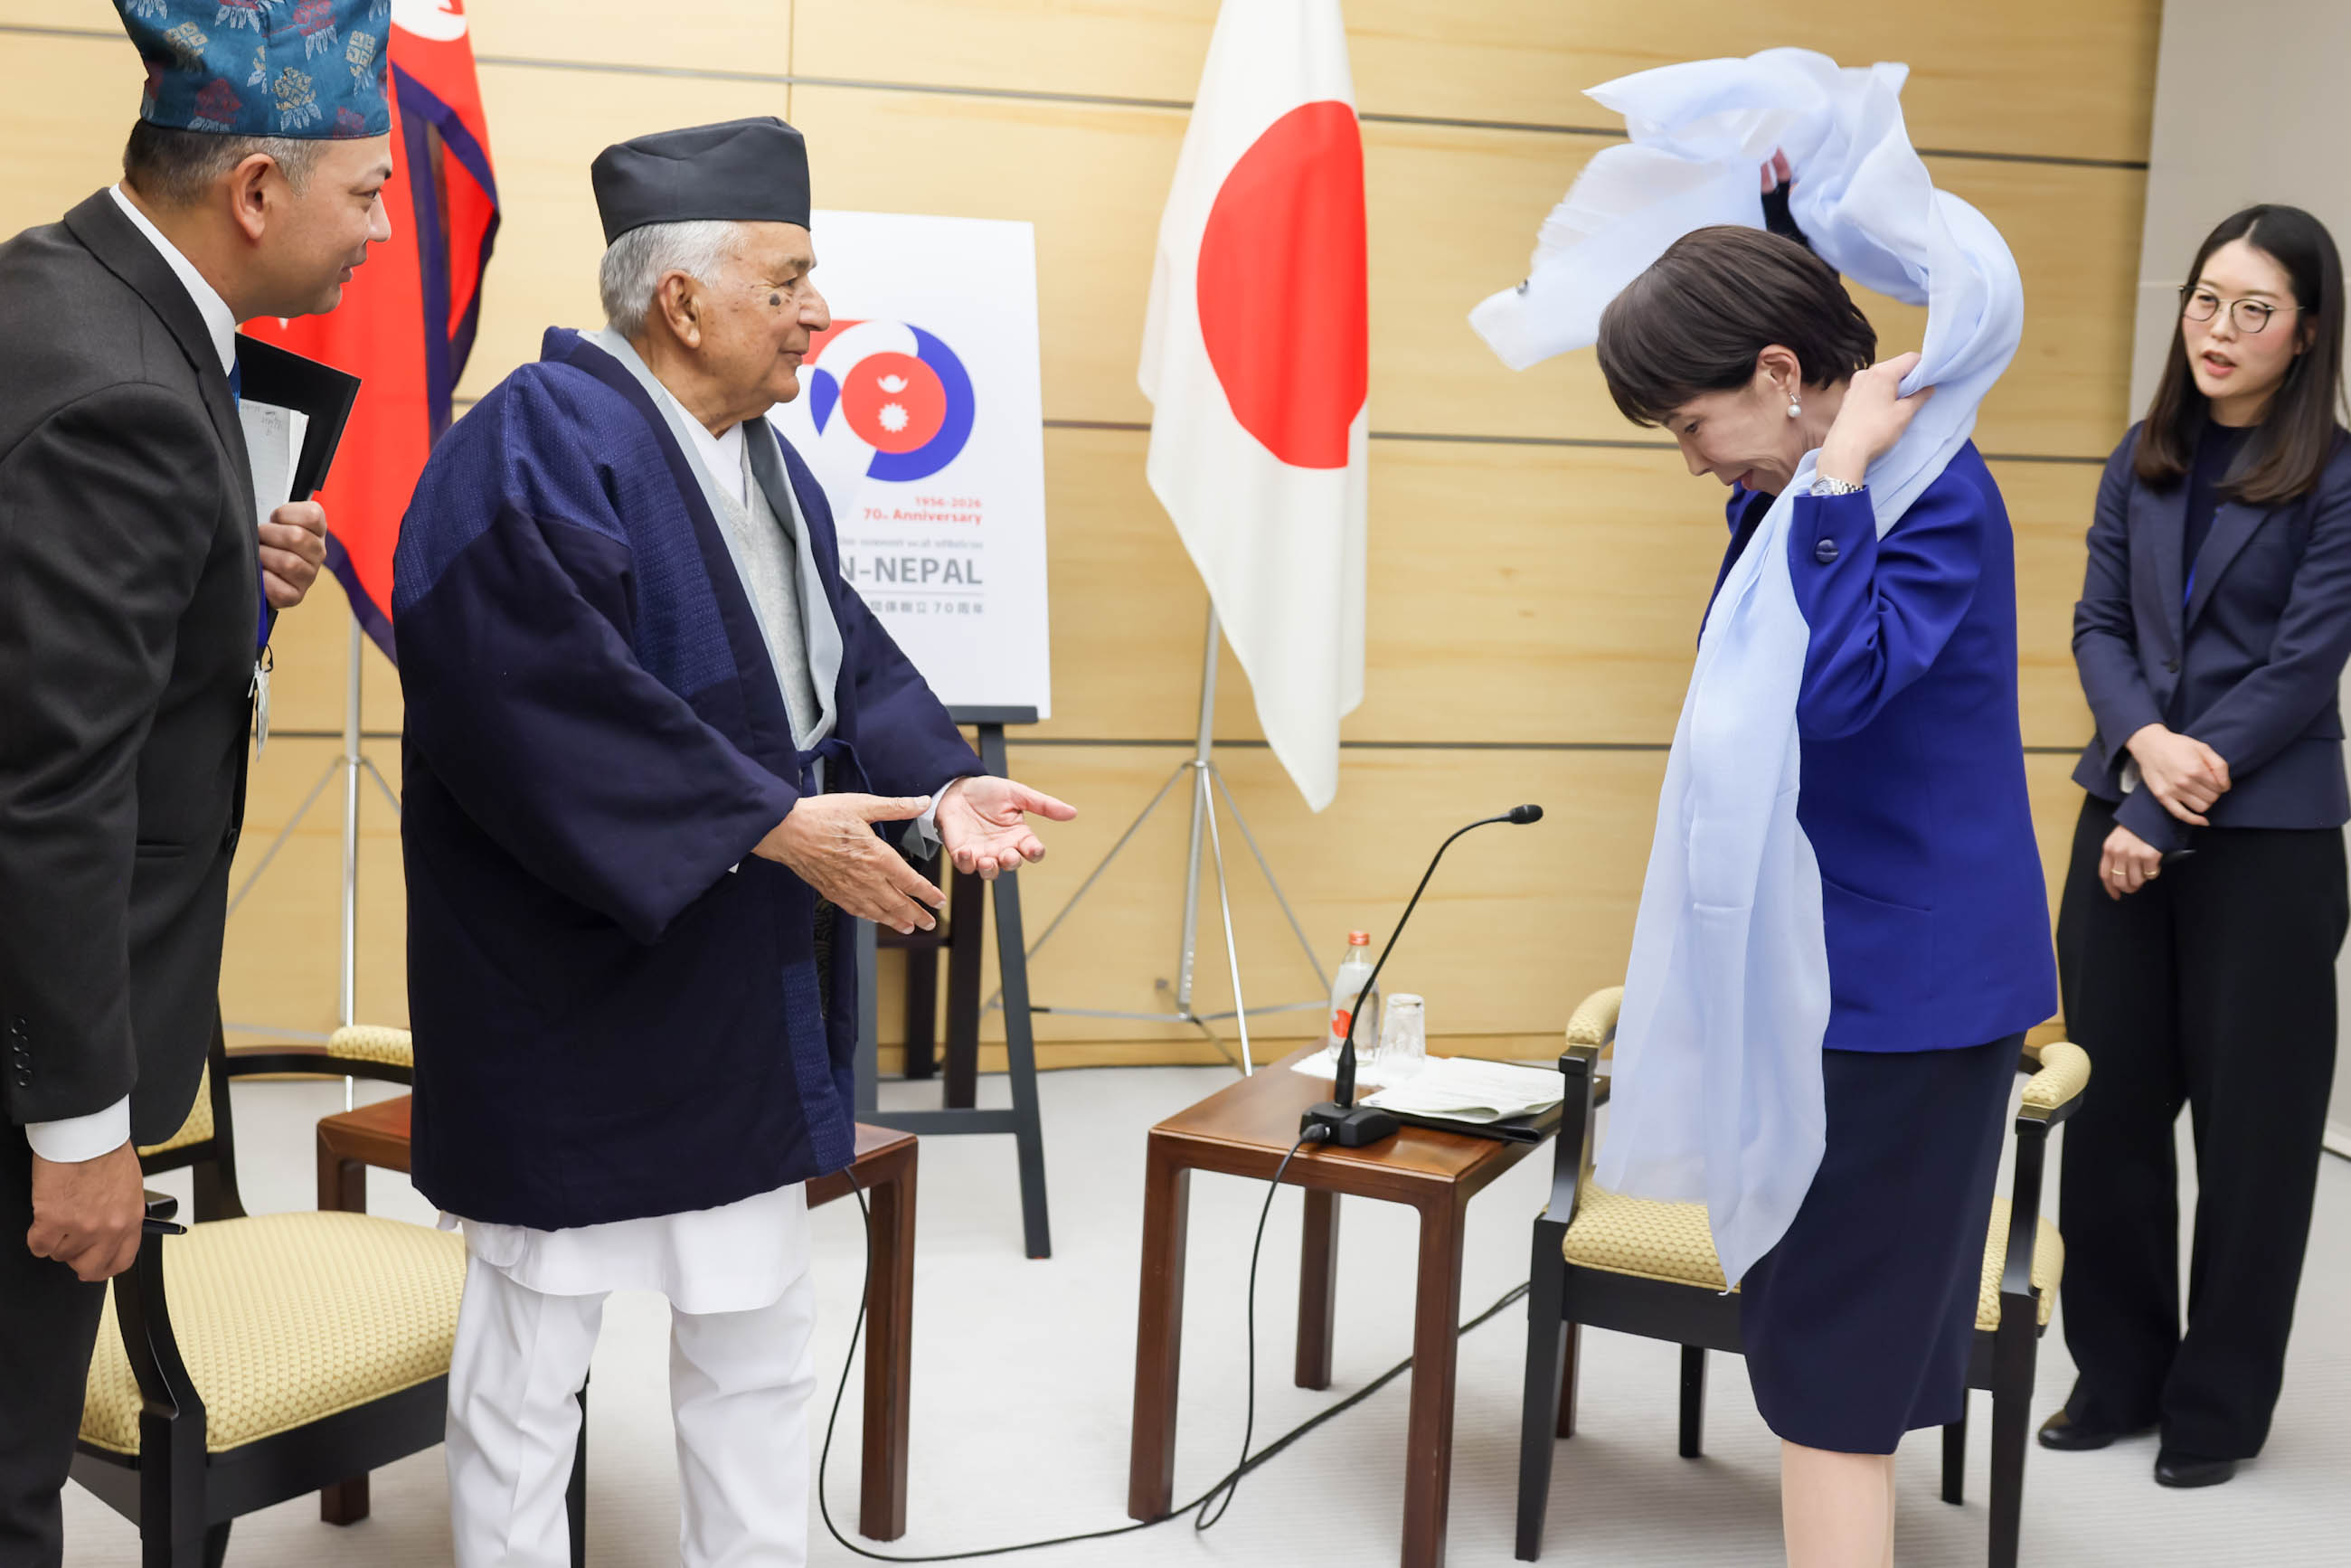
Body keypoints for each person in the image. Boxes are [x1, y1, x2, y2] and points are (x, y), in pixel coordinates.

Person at [393, 117, 1075, 1568]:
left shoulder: (774, 467)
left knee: (757, 1330)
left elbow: (844, 666)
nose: (820, 311)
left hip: (736, 979)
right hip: (573, 993)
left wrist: (941, 784)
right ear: (683, 302)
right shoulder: (528, 440)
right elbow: (527, 699)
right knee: (533, 1357)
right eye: (788, 281)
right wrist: (768, 819)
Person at [1591, 188, 2053, 1564]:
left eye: (1690, 425)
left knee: (1837, 1373)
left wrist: (1841, 476)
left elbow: (1834, 692)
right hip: (1829, 967)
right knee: (1821, 1358)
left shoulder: (1927, 491)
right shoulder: (1793, 492)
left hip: (1908, 990)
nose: (1691, 461)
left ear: (1782, 376)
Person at [0, 3, 389, 1561]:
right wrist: (78, 1131)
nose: (382, 230)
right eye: (367, 192)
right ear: (256, 189)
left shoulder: (57, 286)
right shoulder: (131, 398)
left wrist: (230, 572)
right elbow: (52, 788)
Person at [2041, 204, 2351, 1488]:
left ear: (2306, 334)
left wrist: (2162, 802)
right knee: (2108, 1106)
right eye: (2206, 300)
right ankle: (2115, 1374)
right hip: (2126, 803)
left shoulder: (2338, 475)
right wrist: (2142, 750)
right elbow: (2098, 625)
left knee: (2253, 1136)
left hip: (2265, 841)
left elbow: (2302, 668)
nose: (2220, 329)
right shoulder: (2144, 453)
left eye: (2255, 310)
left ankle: (2217, 1407)